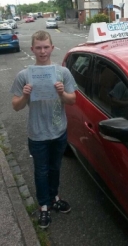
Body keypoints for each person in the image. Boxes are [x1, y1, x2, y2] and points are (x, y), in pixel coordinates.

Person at [10, 30, 77, 229]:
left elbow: (72, 100)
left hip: (59, 131)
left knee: (55, 167)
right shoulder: (24, 75)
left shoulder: (63, 73)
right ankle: (44, 206)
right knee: (41, 171)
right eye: (38, 48)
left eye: (46, 47)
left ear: (52, 48)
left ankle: (54, 197)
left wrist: (61, 93)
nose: (42, 51)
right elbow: (15, 106)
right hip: (37, 134)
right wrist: (24, 96)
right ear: (32, 49)